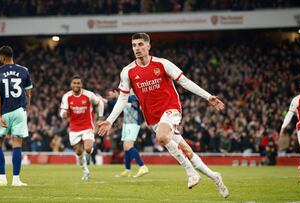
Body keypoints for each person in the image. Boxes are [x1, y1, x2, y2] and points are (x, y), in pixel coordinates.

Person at [98, 33, 229, 198]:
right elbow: (123, 98)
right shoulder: (128, 71)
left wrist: (208, 96)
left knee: (161, 137)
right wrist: (109, 121)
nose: (137, 48)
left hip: (171, 108)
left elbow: (185, 81)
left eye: (140, 44)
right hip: (152, 118)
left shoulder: (162, 64)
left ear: (148, 46)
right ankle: (215, 177)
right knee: (187, 151)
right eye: (134, 45)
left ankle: (190, 172)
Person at [0, 45, 32, 187]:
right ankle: (16, 179)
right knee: (17, 144)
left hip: (5, 111)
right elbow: (28, 93)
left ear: (3, 56)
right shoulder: (24, 71)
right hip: (20, 111)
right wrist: (27, 109)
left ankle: (1, 178)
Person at [60, 75, 104, 181]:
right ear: (71, 85)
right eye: (74, 83)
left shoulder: (89, 95)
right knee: (79, 152)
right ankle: (85, 171)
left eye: (78, 83)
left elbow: (100, 102)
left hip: (87, 126)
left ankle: (88, 155)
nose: (76, 85)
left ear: (81, 84)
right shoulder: (67, 96)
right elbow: (62, 112)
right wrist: (63, 114)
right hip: (74, 128)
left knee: (88, 148)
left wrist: (101, 117)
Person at [102, 90, 148, 178]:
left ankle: (143, 167)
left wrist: (117, 95)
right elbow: (116, 102)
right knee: (125, 147)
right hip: (126, 124)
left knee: (129, 146)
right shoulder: (126, 94)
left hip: (133, 123)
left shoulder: (136, 93)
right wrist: (103, 100)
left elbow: (131, 100)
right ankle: (127, 170)